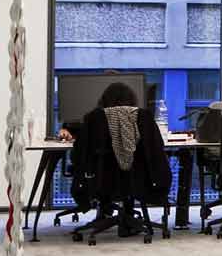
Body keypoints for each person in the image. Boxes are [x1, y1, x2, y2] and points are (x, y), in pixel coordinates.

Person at [68, 79, 168, 241]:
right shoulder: (143, 117)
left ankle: (111, 214)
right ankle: (128, 218)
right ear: (133, 99)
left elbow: (78, 156)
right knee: (126, 180)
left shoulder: (93, 118)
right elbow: (157, 150)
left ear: (104, 100)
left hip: (101, 180)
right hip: (139, 179)